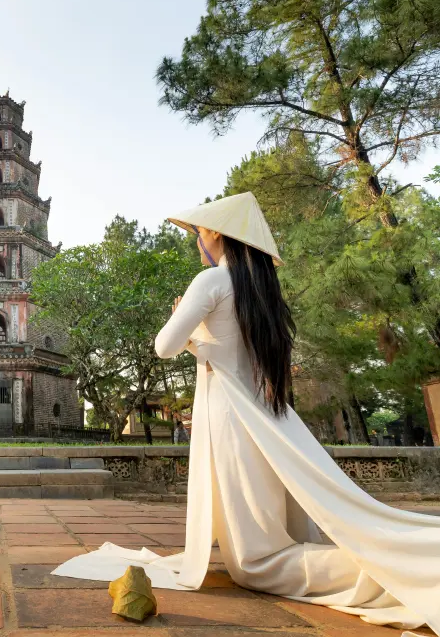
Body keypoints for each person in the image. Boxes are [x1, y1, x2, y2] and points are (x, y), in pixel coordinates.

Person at [52, 193, 439, 636]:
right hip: (270, 420)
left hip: (232, 419)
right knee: (275, 544)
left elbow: (163, 347)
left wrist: (189, 326)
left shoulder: (212, 281)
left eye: (199, 233)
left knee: (257, 565)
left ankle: (408, 573)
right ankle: (402, 559)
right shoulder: (262, 291)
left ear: (216, 234)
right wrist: (202, 340)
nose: (197, 241)